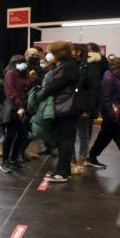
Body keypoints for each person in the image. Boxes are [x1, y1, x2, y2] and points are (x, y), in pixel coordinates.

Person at [85, 57, 120, 173]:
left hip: (117, 113)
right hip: (111, 114)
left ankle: (91, 158)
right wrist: (112, 115)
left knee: (104, 137)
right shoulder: (108, 78)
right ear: (116, 66)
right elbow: (106, 99)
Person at [38, 42, 79, 182]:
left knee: (64, 141)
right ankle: (63, 171)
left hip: (65, 109)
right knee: (63, 140)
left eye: (50, 52)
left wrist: (41, 93)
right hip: (63, 108)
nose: (47, 55)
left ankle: (61, 173)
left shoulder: (68, 66)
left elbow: (55, 86)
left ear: (59, 53)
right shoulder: (64, 65)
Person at [73, 44, 102, 173]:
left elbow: (94, 89)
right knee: (69, 135)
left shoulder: (91, 66)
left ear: (78, 52)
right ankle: (72, 161)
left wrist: (88, 110)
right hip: (70, 106)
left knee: (83, 135)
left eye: (72, 50)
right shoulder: (71, 64)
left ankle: (80, 162)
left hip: (83, 106)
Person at [0, 55, 30, 173]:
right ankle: (5, 161)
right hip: (13, 108)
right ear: (14, 63)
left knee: (22, 135)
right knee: (10, 135)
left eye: (24, 62)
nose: (23, 64)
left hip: (23, 107)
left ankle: (13, 159)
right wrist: (19, 106)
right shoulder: (10, 73)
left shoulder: (24, 74)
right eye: (20, 62)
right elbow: (11, 92)